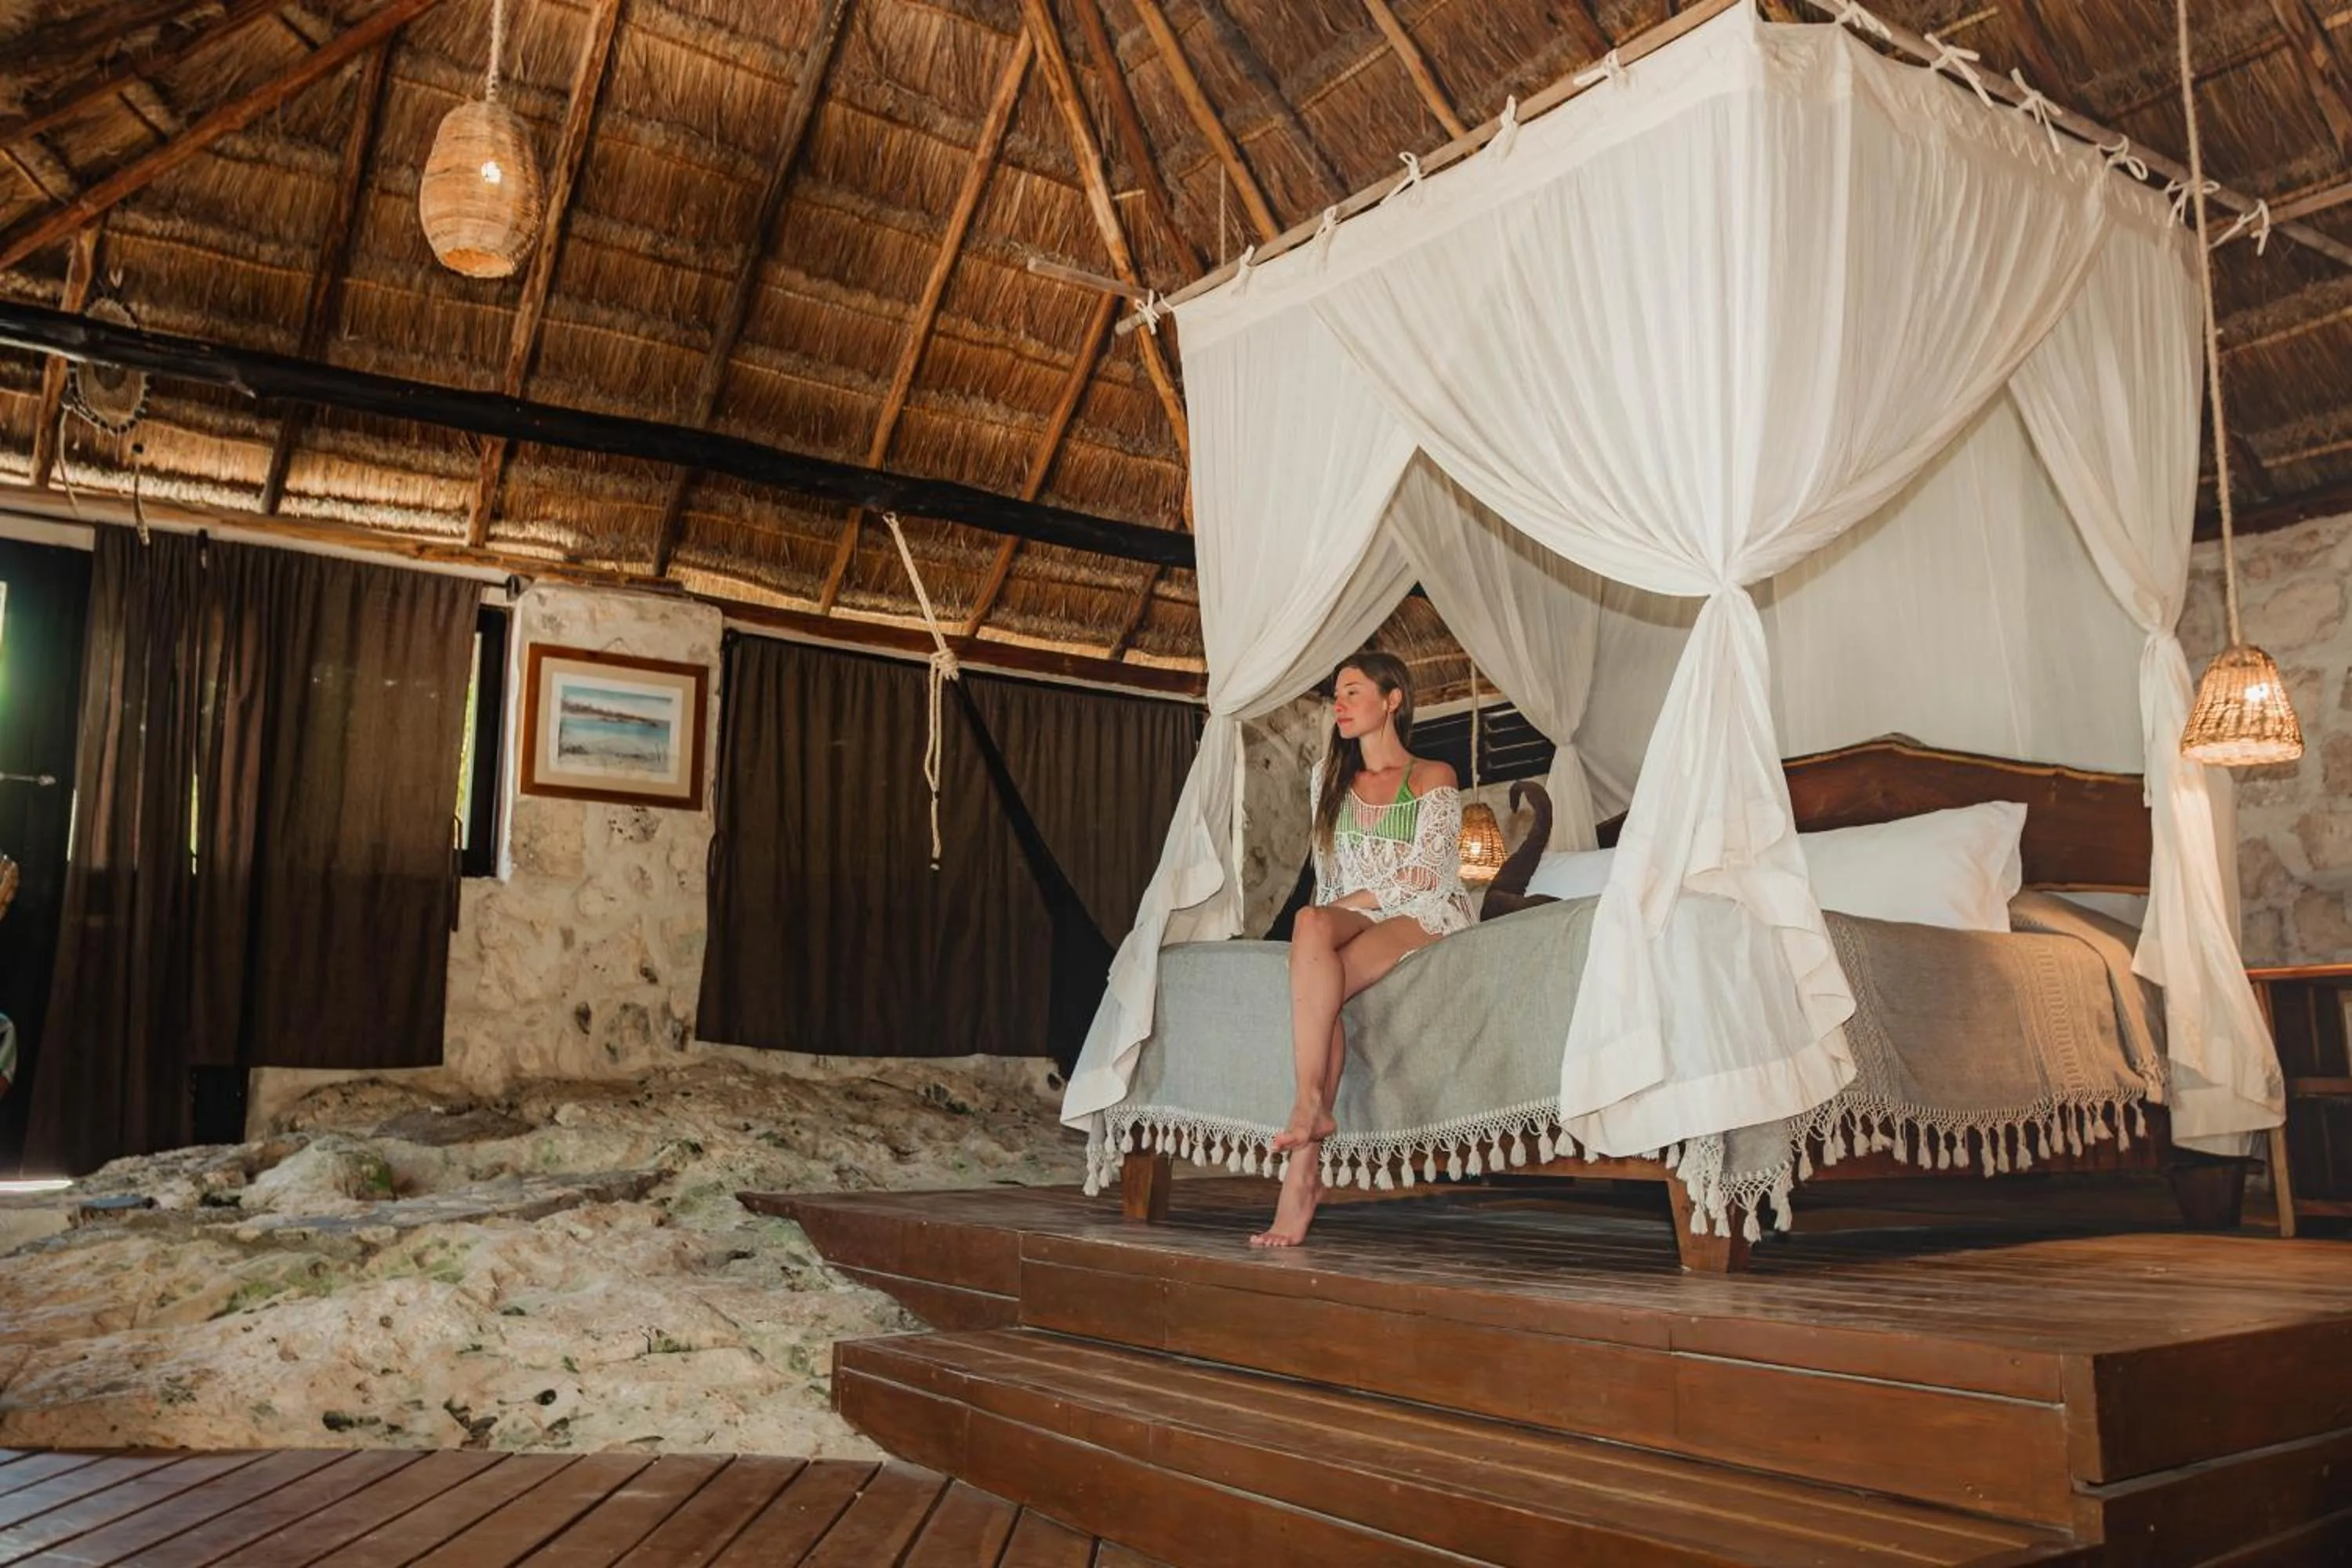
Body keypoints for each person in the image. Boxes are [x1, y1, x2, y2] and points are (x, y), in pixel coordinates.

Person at [1251, 651, 1474, 1248]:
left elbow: (1427, 876)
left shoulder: (1434, 776)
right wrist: (1331, 918)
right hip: (1357, 908)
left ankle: (1302, 1165)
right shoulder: (1329, 777)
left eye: (1352, 692)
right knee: (1309, 925)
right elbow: (1327, 882)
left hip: (1425, 913)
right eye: (1337, 695)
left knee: (1325, 976)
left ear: (1392, 699)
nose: (1340, 705)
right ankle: (1311, 1107)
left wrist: (1347, 909)